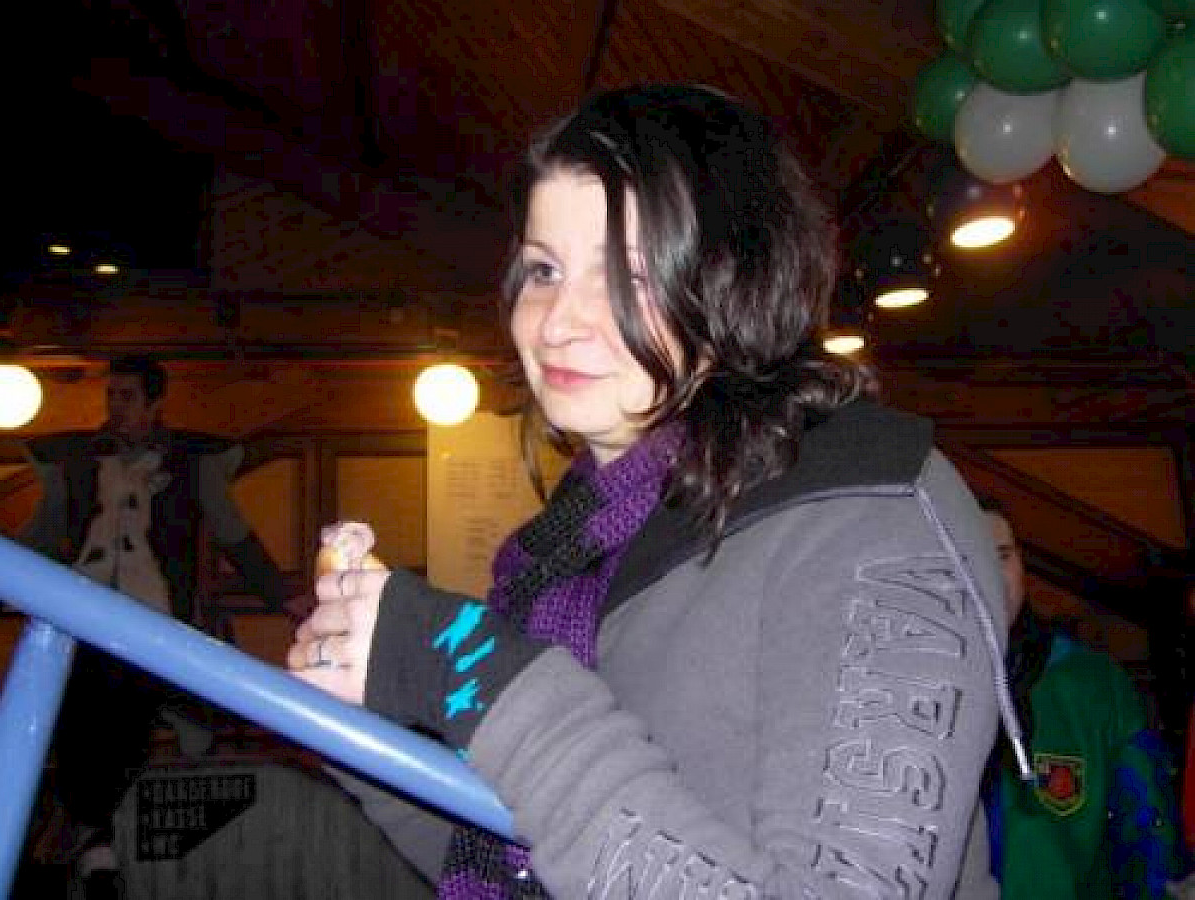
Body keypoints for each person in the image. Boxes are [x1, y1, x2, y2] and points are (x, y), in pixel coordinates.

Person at [289, 84, 1014, 899]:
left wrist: (481, 672)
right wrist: (366, 725)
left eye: (625, 276)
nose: (556, 322)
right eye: (543, 270)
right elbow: (534, 859)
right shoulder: (568, 552)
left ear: (736, 280)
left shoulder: (868, 512)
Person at [18, 353, 297, 899]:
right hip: (80, 613)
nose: (115, 407)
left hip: (149, 621)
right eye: (111, 395)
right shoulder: (77, 461)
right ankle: (91, 840)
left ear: (153, 403)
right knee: (75, 711)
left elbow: (235, 535)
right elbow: (42, 535)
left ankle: (90, 835)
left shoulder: (190, 463)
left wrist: (283, 594)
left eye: (127, 397)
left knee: (126, 703)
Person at [978, 498, 1186, 900]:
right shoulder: (905, 689)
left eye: (1003, 556)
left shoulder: (1094, 684)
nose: (993, 577)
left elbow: (1148, 838)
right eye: (972, 558)